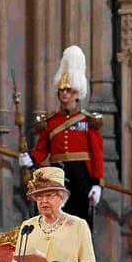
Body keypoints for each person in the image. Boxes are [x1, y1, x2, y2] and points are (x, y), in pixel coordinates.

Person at [19, 45, 104, 228]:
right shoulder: (51, 121)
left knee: (79, 222)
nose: (65, 94)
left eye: (69, 91)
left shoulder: (88, 121)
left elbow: (96, 154)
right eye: (62, 91)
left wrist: (97, 184)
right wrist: (30, 158)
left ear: (77, 94)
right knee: (56, 221)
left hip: (81, 176)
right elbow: (43, 149)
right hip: (57, 174)